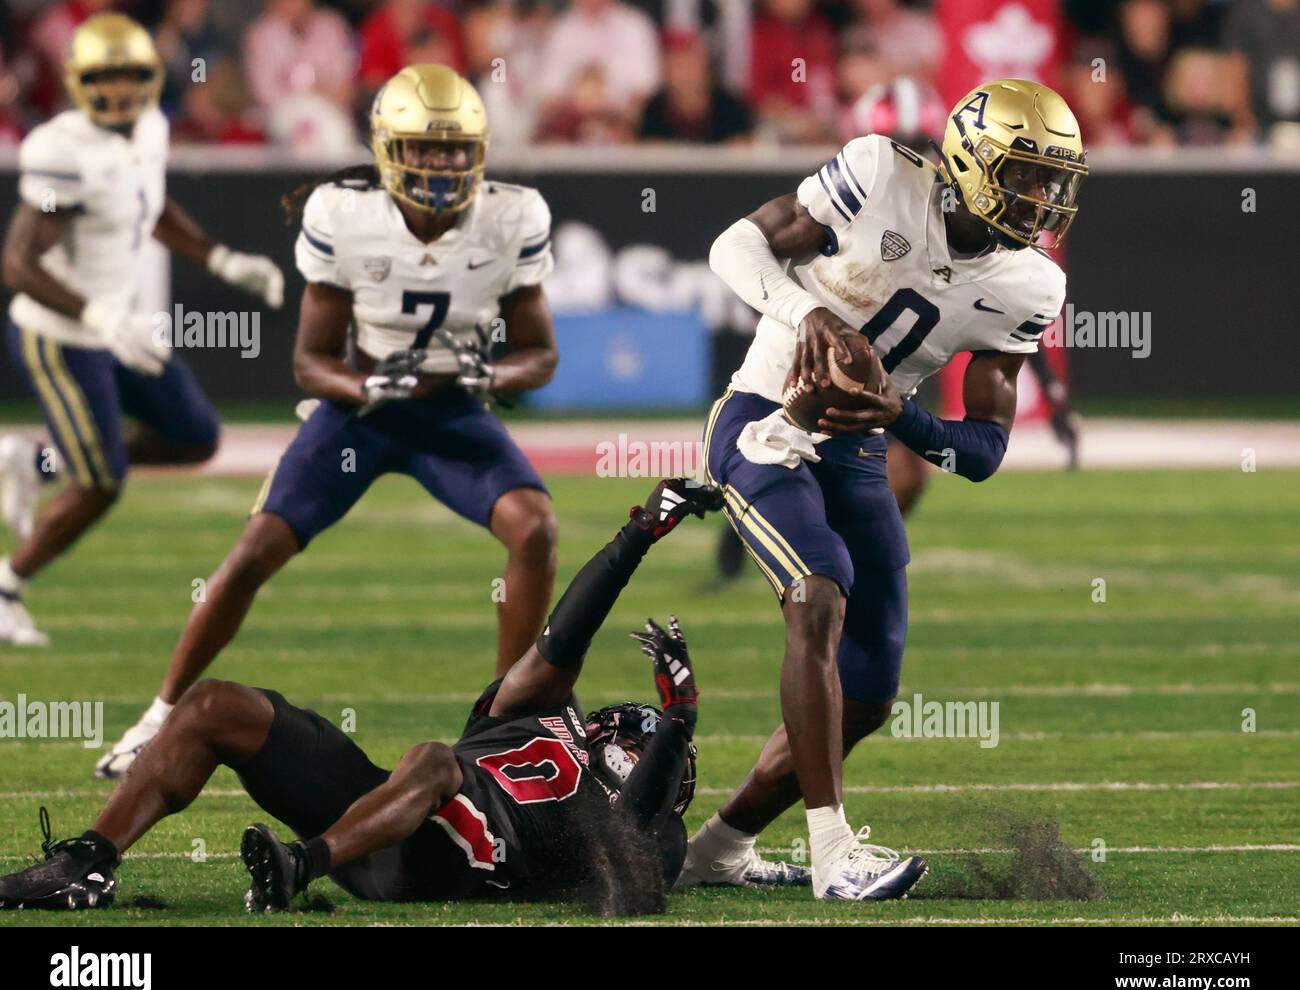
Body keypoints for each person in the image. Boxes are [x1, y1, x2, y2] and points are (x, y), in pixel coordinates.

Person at [92, 64, 560, 780]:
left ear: (480, 152)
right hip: (361, 416)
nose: (440, 165)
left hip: (451, 415)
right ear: (387, 151)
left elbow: (541, 354)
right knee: (253, 552)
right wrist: (369, 381)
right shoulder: (346, 214)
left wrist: (487, 374)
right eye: (424, 149)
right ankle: (156, 716)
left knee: (536, 529)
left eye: (455, 149)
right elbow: (310, 362)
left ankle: (505, 725)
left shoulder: (511, 216)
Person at [685, 79, 1087, 900]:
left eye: (1056, 180)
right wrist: (809, 315)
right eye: (1026, 174)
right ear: (973, 163)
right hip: (766, 418)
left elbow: (982, 451)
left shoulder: (1031, 285)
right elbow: (736, 246)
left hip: (858, 446)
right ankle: (835, 854)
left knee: (870, 689)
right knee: (818, 594)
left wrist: (903, 414)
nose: (1043, 198)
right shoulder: (880, 172)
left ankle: (718, 848)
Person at [0, 479, 733, 916]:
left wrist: (681, 721)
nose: (653, 762)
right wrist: (639, 532)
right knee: (216, 705)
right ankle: (88, 863)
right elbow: (562, 638)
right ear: (615, 725)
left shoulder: (645, 835)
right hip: (389, 809)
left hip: (445, 865)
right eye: (650, 744)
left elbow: (631, 855)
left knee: (434, 762)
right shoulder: (545, 713)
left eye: (668, 764)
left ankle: (301, 866)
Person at [0, 13, 284, 647]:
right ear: (78, 80)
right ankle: (7, 583)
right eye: (106, 76)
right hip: (60, 333)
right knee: (101, 483)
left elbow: (149, 205)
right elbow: (18, 262)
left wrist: (219, 258)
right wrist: (99, 315)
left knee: (194, 434)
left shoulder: (151, 128)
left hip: (116, 328)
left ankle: (36, 460)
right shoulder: (62, 151)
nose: (122, 90)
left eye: (133, 75)